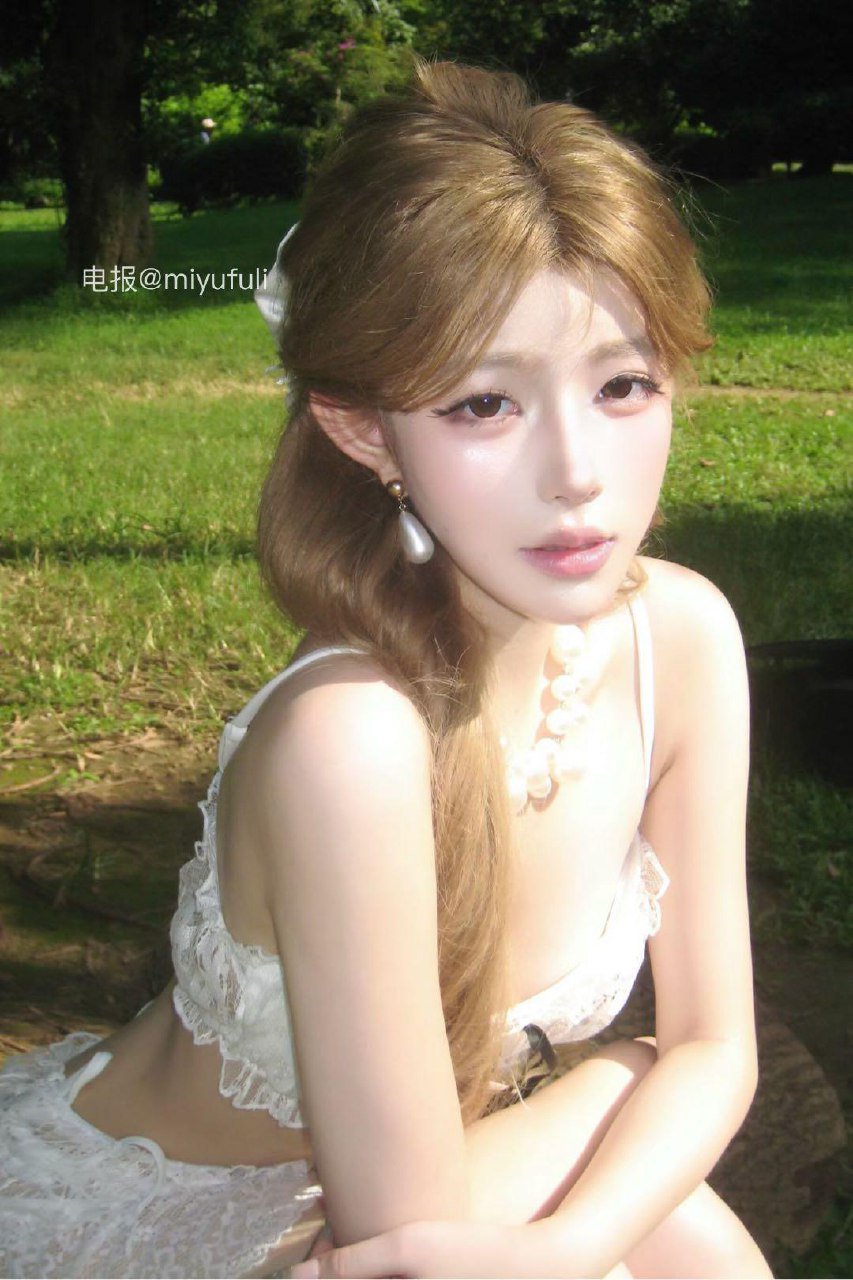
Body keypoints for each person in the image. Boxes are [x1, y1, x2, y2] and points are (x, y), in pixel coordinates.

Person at [0, 55, 773, 1279]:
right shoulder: (351, 737)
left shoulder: (678, 640)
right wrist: (618, 1074)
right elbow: (407, 1244)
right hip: (185, 1227)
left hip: (459, 1192)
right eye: (483, 404)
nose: (577, 472)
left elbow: (715, 1047)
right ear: (363, 430)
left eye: (623, 384)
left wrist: (579, 1232)